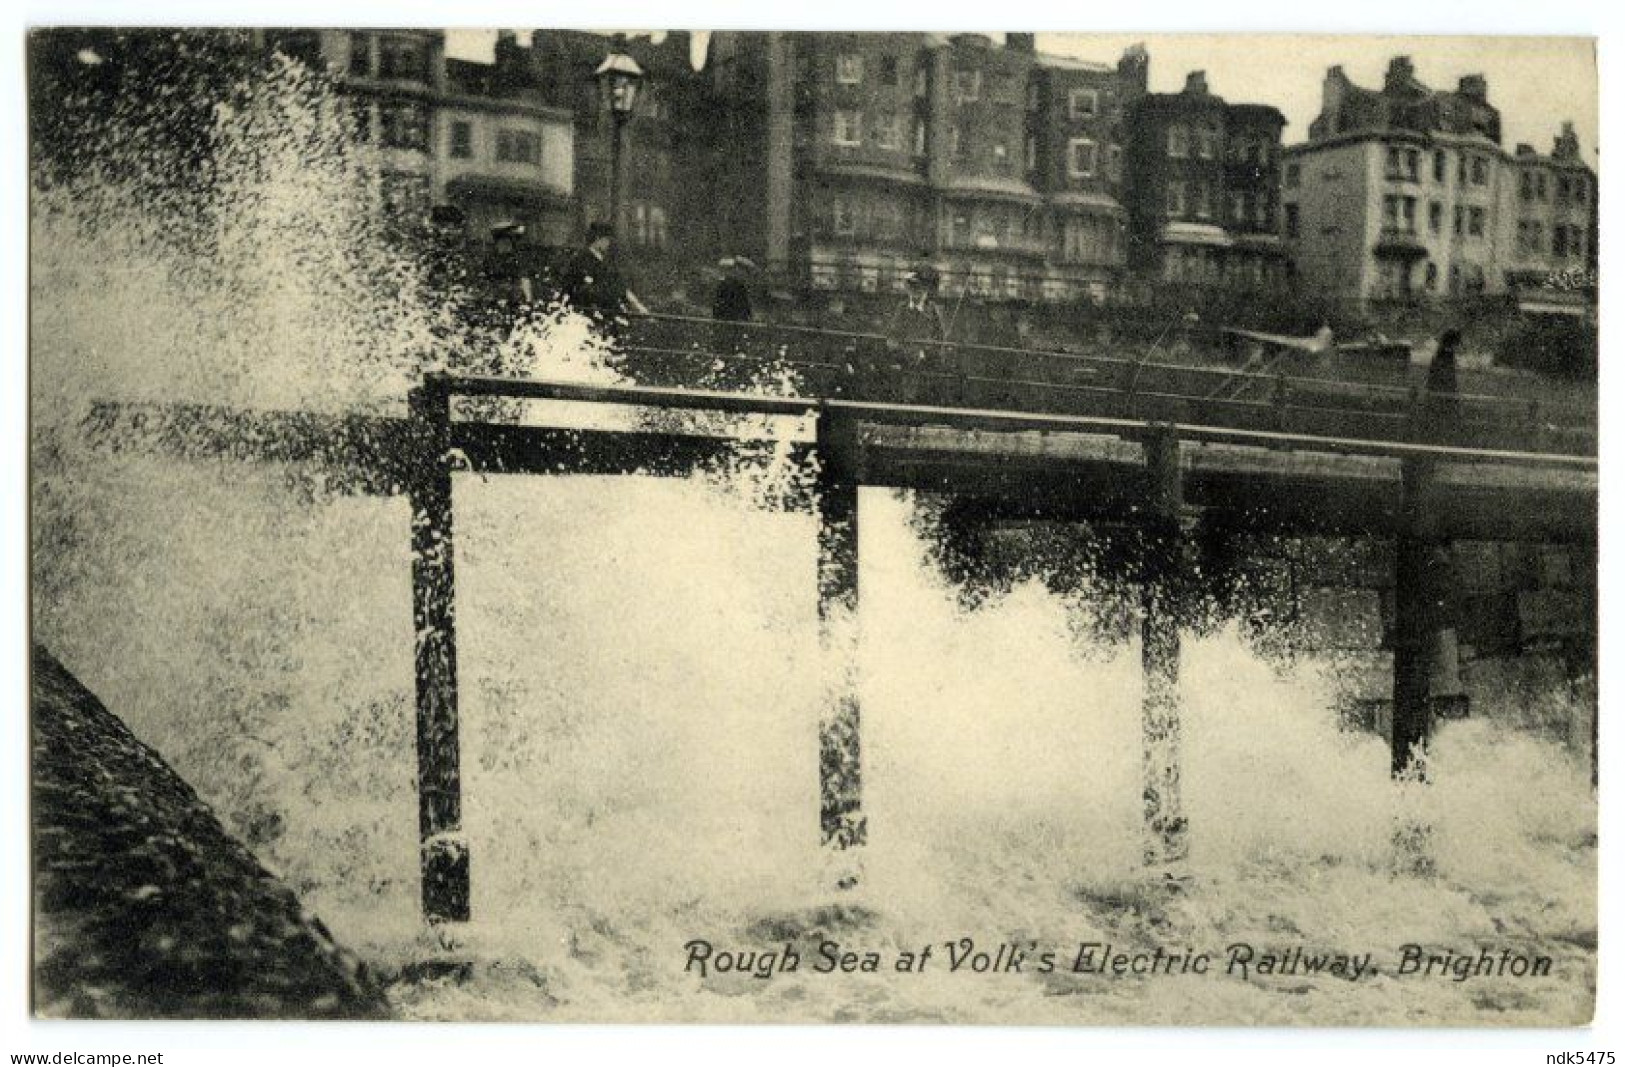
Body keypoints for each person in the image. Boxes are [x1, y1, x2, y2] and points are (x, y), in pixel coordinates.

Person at [555, 222, 648, 329]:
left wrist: (638, 306)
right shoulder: (580, 260)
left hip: (606, 313)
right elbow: (572, 289)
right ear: (597, 239)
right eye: (606, 240)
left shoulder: (607, 262)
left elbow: (620, 285)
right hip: (585, 315)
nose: (608, 244)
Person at [883, 264, 948, 403]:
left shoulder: (933, 311)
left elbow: (940, 339)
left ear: (926, 290)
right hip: (903, 357)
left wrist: (926, 351)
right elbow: (893, 334)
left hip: (926, 359)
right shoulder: (902, 308)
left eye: (919, 288)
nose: (915, 292)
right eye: (912, 287)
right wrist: (899, 350)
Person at [711, 256, 755, 322]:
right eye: (745, 271)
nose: (746, 275)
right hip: (728, 323)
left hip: (737, 323)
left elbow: (746, 308)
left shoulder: (741, 287)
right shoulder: (727, 285)